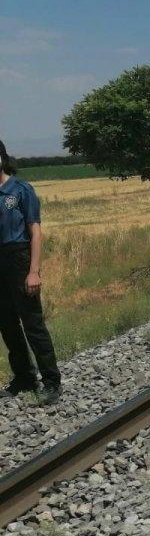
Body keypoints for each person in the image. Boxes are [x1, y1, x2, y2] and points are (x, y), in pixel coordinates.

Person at [0, 140, 61, 405]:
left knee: (32, 323)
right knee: (7, 324)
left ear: (2, 158)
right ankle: (24, 377)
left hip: (18, 258)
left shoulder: (20, 189)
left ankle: (51, 380)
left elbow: (35, 231)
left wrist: (33, 271)